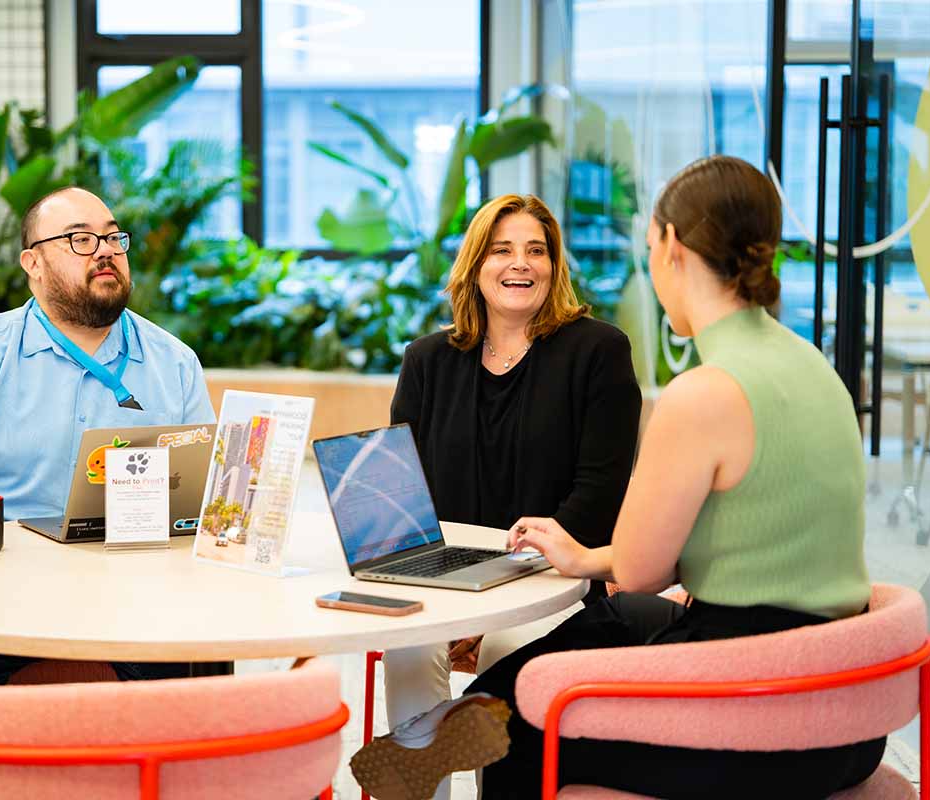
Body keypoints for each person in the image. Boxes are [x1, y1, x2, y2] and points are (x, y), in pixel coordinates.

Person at [353, 156, 882, 800]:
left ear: (668, 246)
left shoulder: (703, 393)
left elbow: (640, 568)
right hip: (845, 695)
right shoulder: (810, 365)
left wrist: (588, 560)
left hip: (762, 708)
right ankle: (433, 747)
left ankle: (422, 756)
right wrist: (583, 556)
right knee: (600, 630)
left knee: (517, 718)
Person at [0, 187, 216, 685]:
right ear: (34, 263)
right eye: (81, 240)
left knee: (199, 700)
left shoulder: (173, 362)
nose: (106, 250)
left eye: (113, 238)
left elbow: (203, 488)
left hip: (138, 586)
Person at [382, 194, 641, 799]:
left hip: (553, 580)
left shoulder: (598, 352)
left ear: (554, 267)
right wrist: (455, 601)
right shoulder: (427, 361)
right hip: (441, 579)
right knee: (409, 651)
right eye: (502, 250)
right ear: (476, 265)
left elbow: (600, 492)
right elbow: (402, 494)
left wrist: (493, 592)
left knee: (505, 654)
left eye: (535, 251)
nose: (519, 264)